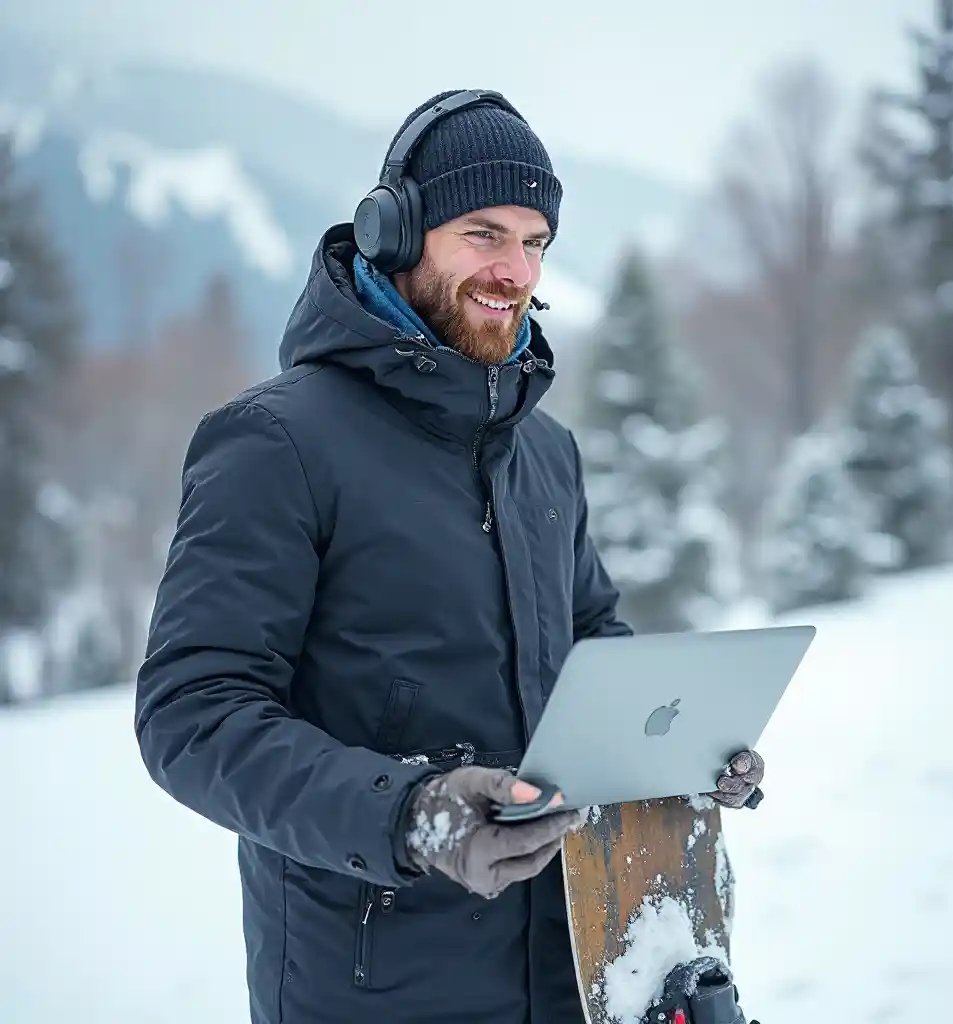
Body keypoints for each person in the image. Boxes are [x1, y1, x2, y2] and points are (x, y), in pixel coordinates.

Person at [134, 88, 766, 1024]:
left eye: (535, 242)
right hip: (370, 986)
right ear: (395, 233)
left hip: (572, 967)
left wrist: (675, 748)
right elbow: (191, 714)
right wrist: (410, 813)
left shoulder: (544, 451)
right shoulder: (278, 444)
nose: (516, 270)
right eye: (483, 234)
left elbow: (591, 637)